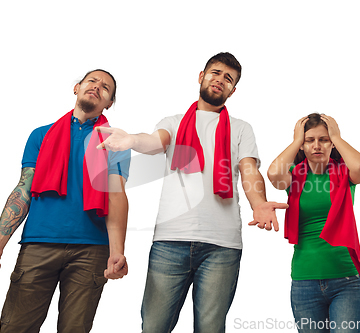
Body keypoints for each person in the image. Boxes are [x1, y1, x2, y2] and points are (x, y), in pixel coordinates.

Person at [96, 52, 288, 332]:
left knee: (210, 328)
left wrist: (258, 202)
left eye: (228, 78)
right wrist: (131, 140)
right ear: (201, 77)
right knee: (153, 326)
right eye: (215, 73)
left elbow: (249, 170)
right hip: (170, 242)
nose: (220, 80)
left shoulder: (241, 129)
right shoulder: (173, 122)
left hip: (222, 246)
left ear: (233, 90)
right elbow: (154, 142)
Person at [0, 69, 131, 333]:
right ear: (77, 88)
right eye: (92, 81)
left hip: (91, 250)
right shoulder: (41, 135)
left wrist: (117, 252)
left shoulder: (116, 142)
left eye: (106, 87)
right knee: (16, 327)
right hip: (39, 244)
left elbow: (116, 196)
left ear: (109, 103)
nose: (97, 87)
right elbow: (24, 190)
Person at [265, 113, 360, 333]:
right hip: (305, 283)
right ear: (302, 146)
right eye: (309, 140)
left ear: (331, 142)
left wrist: (337, 137)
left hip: (348, 280)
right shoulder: (293, 176)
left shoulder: (344, 173)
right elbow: (274, 174)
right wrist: (295, 140)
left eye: (323, 139)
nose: (317, 145)